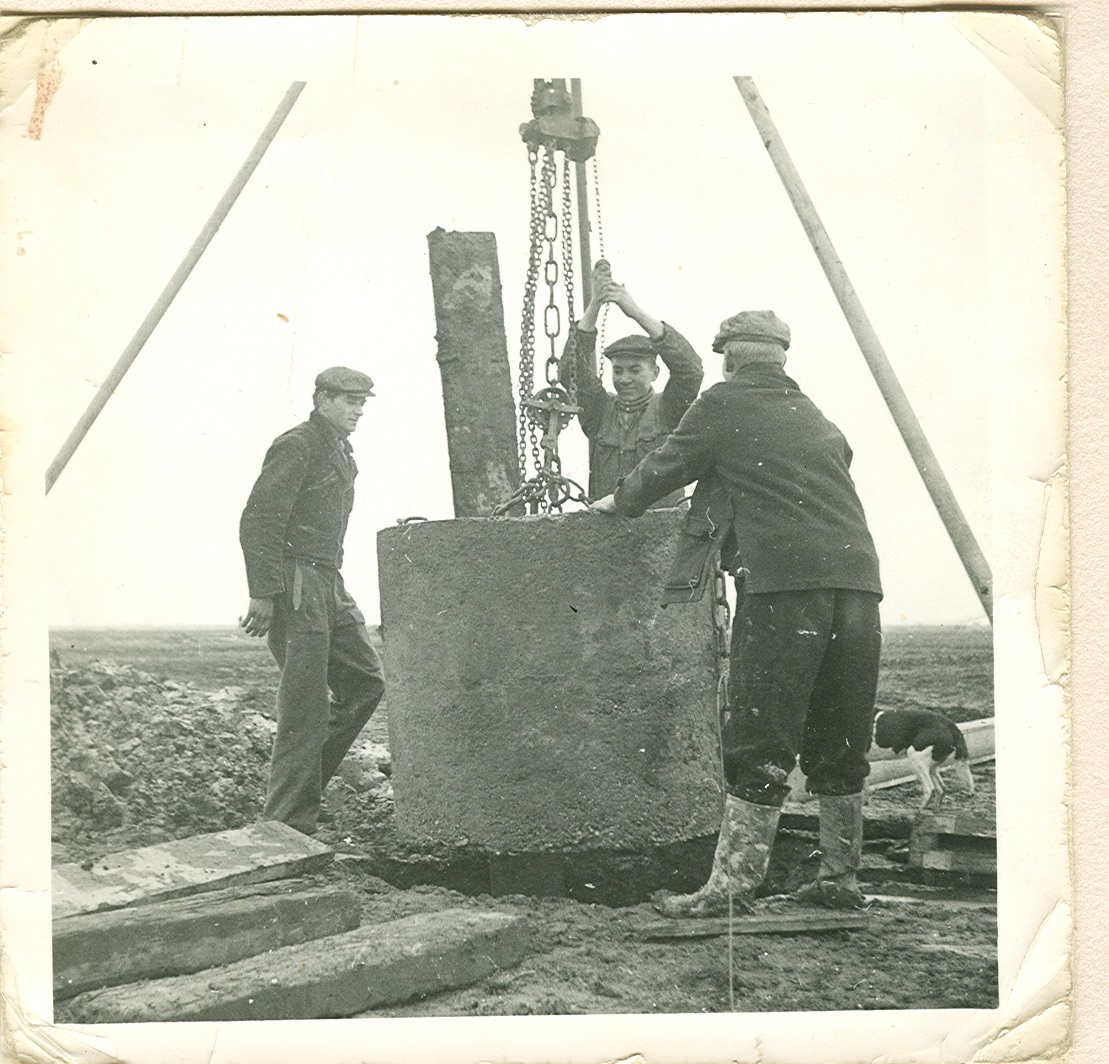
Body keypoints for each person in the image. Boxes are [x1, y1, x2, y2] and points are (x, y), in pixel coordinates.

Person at [591, 310, 883, 915]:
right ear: (780, 357)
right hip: (858, 585)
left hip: (783, 587)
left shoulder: (722, 404)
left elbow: (668, 467)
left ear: (728, 357)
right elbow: (840, 464)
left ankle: (731, 887)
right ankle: (840, 878)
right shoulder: (812, 413)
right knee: (841, 730)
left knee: (759, 731)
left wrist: (615, 501)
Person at [239, 367, 386, 836]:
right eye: (349, 401)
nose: (358, 410)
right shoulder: (298, 444)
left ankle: (303, 792)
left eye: (363, 403)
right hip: (296, 580)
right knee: (303, 704)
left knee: (364, 682)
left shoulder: (340, 450)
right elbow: (259, 518)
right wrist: (263, 592)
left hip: (328, 579)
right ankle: (285, 822)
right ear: (322, 400)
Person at [560, 261, 703, 506]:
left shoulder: (670, 408)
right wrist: (595, 304)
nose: (624, 379)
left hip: (662, 528)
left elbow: (690, 370)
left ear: (655, 372)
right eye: (618, 370)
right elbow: (570, 372)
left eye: (635, 370)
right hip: (605, 527)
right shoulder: (600, 410)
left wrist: (633, 310)